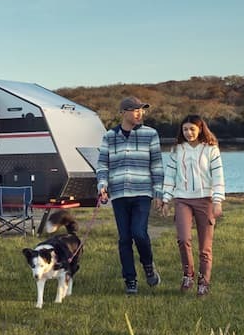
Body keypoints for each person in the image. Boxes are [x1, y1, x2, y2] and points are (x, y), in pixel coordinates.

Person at [96, 96, 165, 295]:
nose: (139, 113)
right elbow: (102, 165)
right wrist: (102, 184)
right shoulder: (110, 136)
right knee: (124, 238)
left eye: (142, 110)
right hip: (118, 194)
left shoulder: (151, 134)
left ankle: (148, 265)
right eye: (135, 110)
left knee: (139, 233)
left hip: (142, 192)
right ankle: (130, 280)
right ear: (124, 113)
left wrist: (158, 193)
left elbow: (157, 166)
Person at [159, 115, 225, 297]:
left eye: (192, 129)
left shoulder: (211, 150)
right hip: (182, 199)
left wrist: (217, 201)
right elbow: (170, 176)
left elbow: (218, 176)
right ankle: (188, 274)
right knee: (183, 238)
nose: (188, 133)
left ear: (200, 129)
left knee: (205, 247)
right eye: (185, 129)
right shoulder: (177, 150)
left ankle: (204, 282)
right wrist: (166, 199)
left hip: (205, 200)